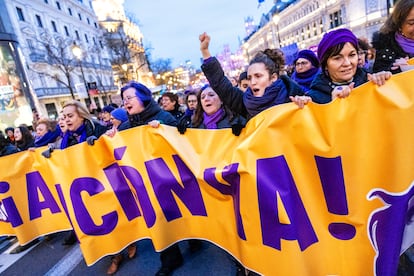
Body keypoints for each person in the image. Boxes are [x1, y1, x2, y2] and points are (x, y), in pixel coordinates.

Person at [108, 81, 180, 276]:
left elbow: (181, 137)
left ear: (144, 97)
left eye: (129, 98)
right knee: (157, 218)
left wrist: (164, 129)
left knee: (181, 215)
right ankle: (170, 259)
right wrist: (110, 138)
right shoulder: (124, 127)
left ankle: (193, 239)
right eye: (123, 100)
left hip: (169, 177)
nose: (125, 103)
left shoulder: (163, 117)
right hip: (145, 182)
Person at [199, 32, 304, 120]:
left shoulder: (294, 98)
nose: (252, 82)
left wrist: (306, 103)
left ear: (273, 78)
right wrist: (205, 52)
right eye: (250, 78)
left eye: (258, 76)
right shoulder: (245, 103)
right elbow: (221, 84)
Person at [292, 28, 392, 107]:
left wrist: (386, 84)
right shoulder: (314, 100)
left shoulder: (370, 81)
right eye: (337, 58)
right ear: (325, 64)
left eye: (352, 55)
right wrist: (331, 106)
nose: (347, 63)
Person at [58, 100, 107, 245]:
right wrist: (52, 153)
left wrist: (99, 141)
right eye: (64, 116)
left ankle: (127, 241)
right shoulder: (66, 139)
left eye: (70, 116)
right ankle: (113, 254)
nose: (66, 119)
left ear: (82, 115)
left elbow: (110, 148)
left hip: (102, 180)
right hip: (84, 185)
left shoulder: (97, 128)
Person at [372, 0, 414, 73]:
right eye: (411, 23)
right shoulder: (385, 47)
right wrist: (397, 70)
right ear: (399, 25)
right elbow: (378, 75)